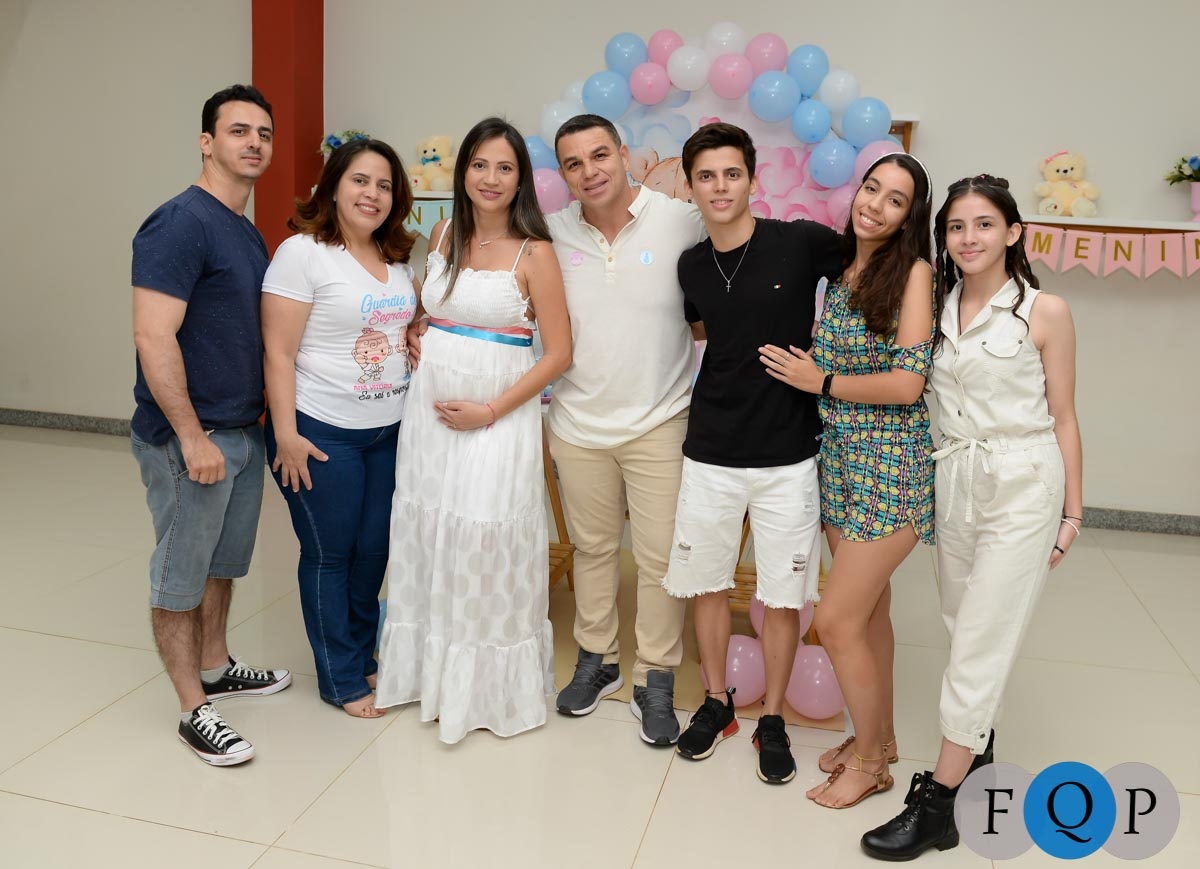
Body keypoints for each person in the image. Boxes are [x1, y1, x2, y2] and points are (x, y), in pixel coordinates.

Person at [861, 174, 1082, 860]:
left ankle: (937, 802)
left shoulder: (1044, 311)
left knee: (983, 637)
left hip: (1023, 481)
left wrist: (1074, 511)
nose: (969, 237)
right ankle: (978, 765)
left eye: (984, 224)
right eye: (956, 226)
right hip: (954, 478)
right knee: (964, 631)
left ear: (1013, 232)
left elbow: (1064, 415)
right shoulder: (937, 306)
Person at [375, 118, 571, 743]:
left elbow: (558, 354)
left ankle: (483, 691)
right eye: (480, 165)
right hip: (429, 418)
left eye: (505, 167)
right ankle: (425, 675)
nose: (491, 178)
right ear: (463, 172)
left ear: (521, 180)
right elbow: (434, 312)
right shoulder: (442, 234)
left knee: (484, 538)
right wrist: (417, 329)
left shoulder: (534, 253)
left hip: (497, 419)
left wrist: (490, 411)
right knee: (430, 529)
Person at [664, 123, 841, 783]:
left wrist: (827, 362)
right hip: (711, 447)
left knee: (784, 594)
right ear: (690, 186)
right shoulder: (690, 265)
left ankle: (771, 718)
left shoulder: (799, 242)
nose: (720, 187)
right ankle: (717, 702)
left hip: (787, 453)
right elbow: (706, 328)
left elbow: (871, 277)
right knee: (707, 583)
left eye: (731, 174)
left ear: (752, 179)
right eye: (706, 176)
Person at [760, 153, 935, 807]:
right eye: (871, 188)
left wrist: (823, 381)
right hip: (839, 462)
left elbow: (909, 382)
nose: (875, 205)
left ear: (909, 217)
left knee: (835, 621)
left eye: (895, 199)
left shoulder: (913, 273)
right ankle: (878, 738)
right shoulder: (842, 269)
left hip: (890, 467)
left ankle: (870, 766)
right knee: (871, 614)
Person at [130, 84, 291, 767]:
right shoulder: (180, 222)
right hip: (188, 438)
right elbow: (153, 334)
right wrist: (192, 436)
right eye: (238, 130)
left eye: (263, 133)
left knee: (222, 565)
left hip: (241, 430)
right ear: (207, 141)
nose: (254, 142)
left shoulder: (244, 228)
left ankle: (217, 665)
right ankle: (193, 707)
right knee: (181, 574)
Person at [546, 114, 705, 746]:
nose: (590, 171)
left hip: (661, 419)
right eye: (574, 163)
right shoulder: (551, 232)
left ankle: (656, 675)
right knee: (593, 549)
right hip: (577, 422)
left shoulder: (680, 220)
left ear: (623, 154)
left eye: (599, 155)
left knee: (662, 556)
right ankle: (598, 659)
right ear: (563, 174)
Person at [261, 137, 418, 719]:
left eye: (384, 185)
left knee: (373, 551)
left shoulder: (395, 257)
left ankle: (362, 654)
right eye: (360, 180)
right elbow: (278, 352)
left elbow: (401, 325)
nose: (372, 194)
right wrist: (285, 434)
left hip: (387, 431)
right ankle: (340, 678)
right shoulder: (302, 253)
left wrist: (418, 332)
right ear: (332, 187)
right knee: (331, 553)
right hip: (320, 431)